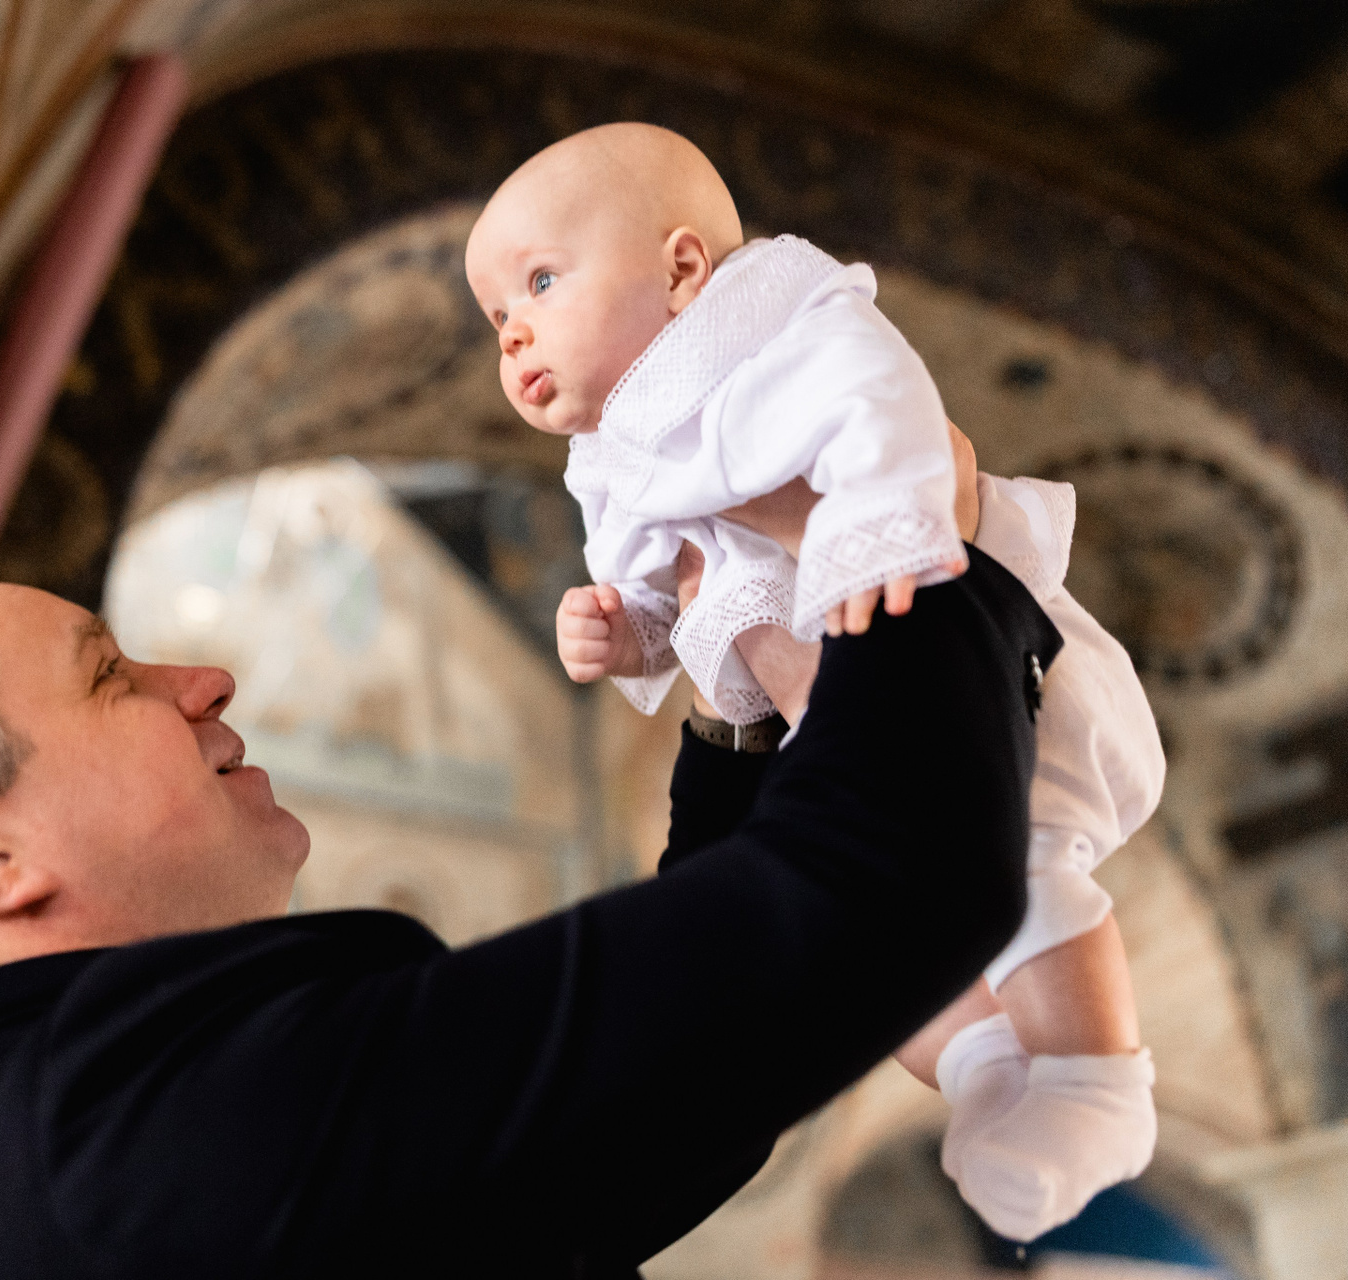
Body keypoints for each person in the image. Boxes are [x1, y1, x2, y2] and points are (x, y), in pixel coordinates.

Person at [0, 451, 1060, 1276]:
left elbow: (646, 1126)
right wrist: (905, 543)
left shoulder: (55, 1143)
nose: (201, 678)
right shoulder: (114, 1127)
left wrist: (734, 718)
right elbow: (892, 879)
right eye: (110, 676)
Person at [463, 122, 1165, 1239]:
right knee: (882, 950)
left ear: (682, 270)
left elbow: (886, 407)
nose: (513, 332)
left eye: (540, 282)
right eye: (497, 315)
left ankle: (1098, 1084)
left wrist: (877, 527)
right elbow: (672, 600)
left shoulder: (770, 332)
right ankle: (989, 1073)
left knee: (1021, 855)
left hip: (1000, 688)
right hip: (840, 742)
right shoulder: (613, 460)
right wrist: (624, 633)